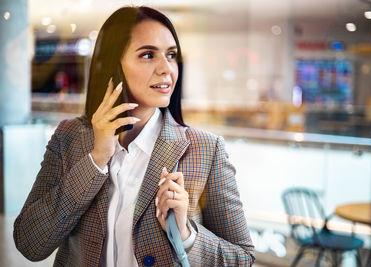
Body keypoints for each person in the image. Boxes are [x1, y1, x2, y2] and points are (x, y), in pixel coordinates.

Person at [13, 6, 255, 266]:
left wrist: (186, 235)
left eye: (171, 55)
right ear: (112, 63)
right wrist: (96, 159)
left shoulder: (207, 149)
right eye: (148, 55)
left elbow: (243, 258)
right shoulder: (70, 137)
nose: (166, 69)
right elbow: (29, 243)